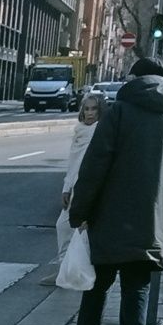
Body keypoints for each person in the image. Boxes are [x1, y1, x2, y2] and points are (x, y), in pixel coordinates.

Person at [61, 57, 163, 325]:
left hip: (110, 213)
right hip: (152, 217)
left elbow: (95, 165)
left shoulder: (119, 111)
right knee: (137, 282)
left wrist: (79, 211)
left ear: (134, 78)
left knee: (98, 281)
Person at [45, 93, 103, 285]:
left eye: (94, 109)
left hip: (89, 188)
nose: (90, 113)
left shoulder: (100, 132)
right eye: (86, 109)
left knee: (82, 231)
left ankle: (81, 272)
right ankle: (64, 270)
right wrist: (66, 188)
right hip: (74, 186)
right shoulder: (79, 131)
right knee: (63, 226)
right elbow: (73, 163)